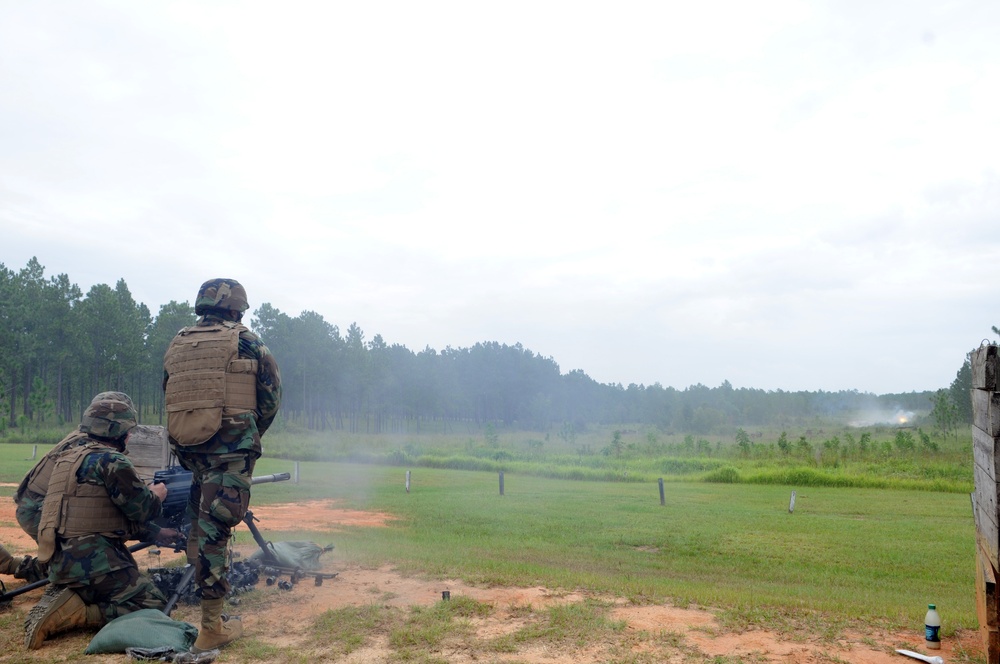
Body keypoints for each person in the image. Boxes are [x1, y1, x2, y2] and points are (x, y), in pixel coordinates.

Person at [163, 278, 281, 653]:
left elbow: (169, 391)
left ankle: (204, 606)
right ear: (236, 309)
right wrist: (248, 433)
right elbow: (271, 395)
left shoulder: (178, 343)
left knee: (200, 523)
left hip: (189, 446)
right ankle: (211, 627)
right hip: (229, 447)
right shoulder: (246, 340)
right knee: (217, 528)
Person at [24, 392, 170, 650]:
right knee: (153, 602)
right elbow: (144, 510)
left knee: (112, 580)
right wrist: (157, 495)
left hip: (59, 561)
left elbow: (102, 515)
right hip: (94, 562)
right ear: (123, 433)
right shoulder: (112, 461)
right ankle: (78, 614)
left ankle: (70, 593)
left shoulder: (68, 458)